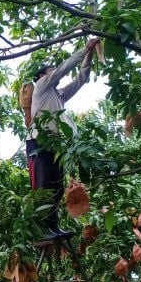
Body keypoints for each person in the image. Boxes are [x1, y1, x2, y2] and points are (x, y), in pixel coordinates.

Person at [26, 38, 100, 240]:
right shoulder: (41, 87)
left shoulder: (58, 95)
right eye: (50, 70)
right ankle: (41, 230)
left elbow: (81, 79)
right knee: (43, 187)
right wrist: (84, 48)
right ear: (42, 76)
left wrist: (89, 55)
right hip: (38, 143)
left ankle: (52, 227)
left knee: (57, 187)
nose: (53, 73)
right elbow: (63, 69)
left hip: (54, 146)